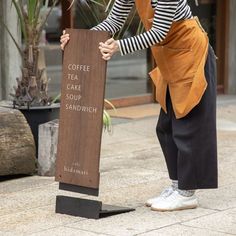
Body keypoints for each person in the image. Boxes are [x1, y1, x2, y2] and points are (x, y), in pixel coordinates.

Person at [60, 0, 218, 212]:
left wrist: (119, 46)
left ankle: (187, 194)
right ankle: (177, 186)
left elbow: (159, 32)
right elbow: (113, 22)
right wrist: (79, 39)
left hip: (190, 54)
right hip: (170, 58)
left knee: (187, 127)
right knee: (166, 127)